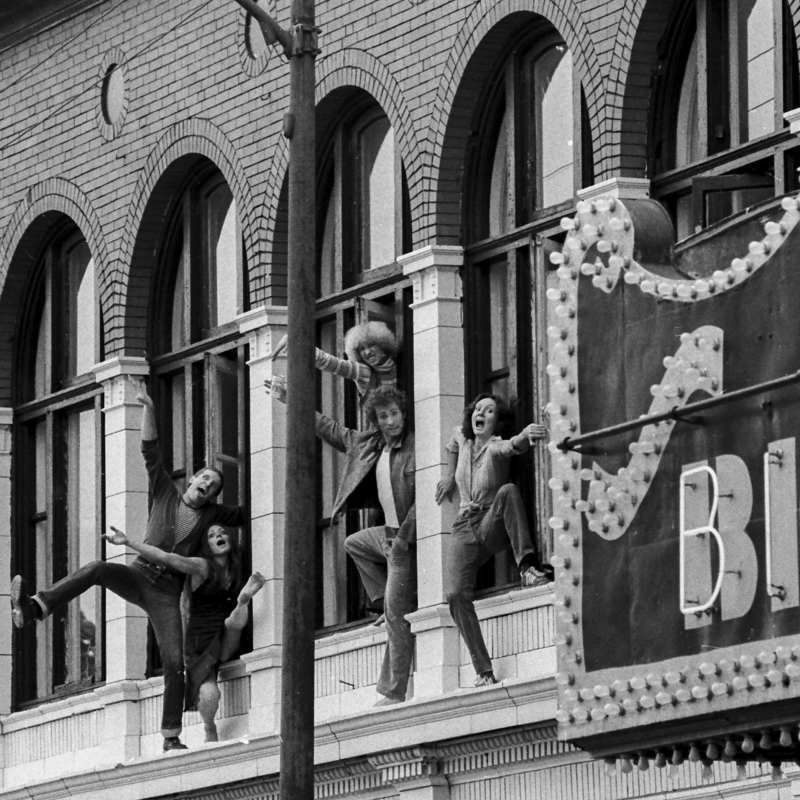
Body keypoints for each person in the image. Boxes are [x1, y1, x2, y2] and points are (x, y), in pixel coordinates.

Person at [10, 378, 246, 751]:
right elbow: (149, 450)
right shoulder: (166, 491)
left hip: (166, 592)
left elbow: (251, 512)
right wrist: (148, 408)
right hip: (138, 574)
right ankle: (37, 606)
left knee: (173, 660)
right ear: (194, 479)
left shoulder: (215, 513)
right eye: (204, 477)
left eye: (214, 485)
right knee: (97, 569)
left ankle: (171, 737)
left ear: (215, 496)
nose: (207, 484)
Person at [267, 379, 416, 706]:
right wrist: (290, 398)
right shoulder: (370, 444)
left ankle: (394, 691)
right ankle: (385, 600)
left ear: (403, 413)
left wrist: (405, 538)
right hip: (387, 537)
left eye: (394, 414)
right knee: (354, 543)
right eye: (382, 416)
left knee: (396, 613)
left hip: (406, 541)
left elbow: (422, 502)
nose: (390, 421)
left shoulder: (414, 448)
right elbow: (331, 430)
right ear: (375, 421)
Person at [103, 524, 265, 743]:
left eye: (222, 533)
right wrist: (129, 542)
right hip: (201, 639)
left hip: (226, 636)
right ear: (205, 546)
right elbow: (167, 558)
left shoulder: (237, 567)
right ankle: (209, 727)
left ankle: (242, 601)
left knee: (233, 622)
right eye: (211, 535)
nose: (218, 536)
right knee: (209, 694)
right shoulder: (202, 566)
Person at [435, 393, 551, 687]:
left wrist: (525, 435)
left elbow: (514, 447)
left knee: (508, 490)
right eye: (478, 409)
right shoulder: (462, 440)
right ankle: (483, 670)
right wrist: (449, 477)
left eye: (489, 411)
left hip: (490, 521)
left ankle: (527, 568)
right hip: (463, 526)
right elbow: (451, 444)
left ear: (496, 421)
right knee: (455, 595)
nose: (481, 413)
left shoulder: (495, 446)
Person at [270, 320, 398, 399]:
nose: (367, 352)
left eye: (371, 345)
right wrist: (297, 340)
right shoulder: (363, 371)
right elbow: (327, 361)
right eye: (361, 349)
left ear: (383, 344)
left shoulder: (405, 367)